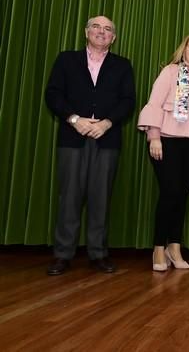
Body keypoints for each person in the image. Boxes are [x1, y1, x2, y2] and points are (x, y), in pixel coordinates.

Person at [44, 15, 136, 275]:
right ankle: (63, 254)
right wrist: (74, 119)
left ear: (114, 38)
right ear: (86, 32)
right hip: (72, 139)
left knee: (101, 197)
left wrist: (106, 123)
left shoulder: (122, 65)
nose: (102, 32)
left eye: (108, 29)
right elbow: (53, 94)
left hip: (107, 140)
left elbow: (128, 100)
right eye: (96, 27)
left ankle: (98, 253)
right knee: (69, 197)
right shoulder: (66, 60)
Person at [138, 34, 189, 271]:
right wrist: (154, 137)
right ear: (183, 50)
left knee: (181, 195)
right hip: (167, 141)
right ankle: (158, 249)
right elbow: (154, 103)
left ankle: (175, 247)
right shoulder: (170, 73)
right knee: (169, 192)